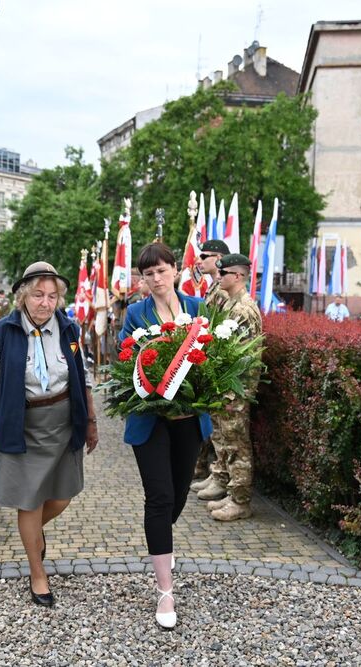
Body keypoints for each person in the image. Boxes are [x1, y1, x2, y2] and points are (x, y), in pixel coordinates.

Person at [0, 261, 98, 608]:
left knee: (62, 496)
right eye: (38, 295)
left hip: (62, 423)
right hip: (21, 425)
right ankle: (37, 572)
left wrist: (91, 420)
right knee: (29, 501)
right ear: (23, 297)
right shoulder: (2, 332)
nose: (45, 303)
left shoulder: (70, 330)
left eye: (52, 296)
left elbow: (83, 376)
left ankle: (32, 534)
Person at [119, 243, 213, 629]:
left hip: (189, 419)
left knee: (177, 494)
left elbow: (213, 358)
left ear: (175, 270)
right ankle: (165, 591)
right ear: (142, 279)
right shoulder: (135, 314)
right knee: (158, 498)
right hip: (151, 420)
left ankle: (164, 543)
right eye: (148, 274)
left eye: (161, 271)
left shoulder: (197, 309)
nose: (156, 279)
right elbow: (124, 359)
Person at [203, 254, 263, 521]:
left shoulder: (243, 309)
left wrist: (232, 390)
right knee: (228, 440)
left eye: (223, 273)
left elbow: (241, 357)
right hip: (228, 386)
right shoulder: (232, 304)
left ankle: (241, 501)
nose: (219, 277)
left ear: (237, 276)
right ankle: (232, 492)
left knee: (237, 444)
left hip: (236, 388)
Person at [189, 239, 229, 484]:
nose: (200, 261)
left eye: (205, 256)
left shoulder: (223, 290)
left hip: (218, 362)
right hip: (208, 359)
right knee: (212, 423)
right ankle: (211, 470)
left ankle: (220, 476)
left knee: (223, 429)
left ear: (219, 258)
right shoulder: (213, 287)